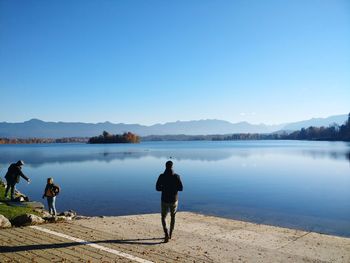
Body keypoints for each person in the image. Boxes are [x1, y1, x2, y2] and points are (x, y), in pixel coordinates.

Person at [156, 160, 183, 243]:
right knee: (173, 216)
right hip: (174, 200)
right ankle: (171, 234)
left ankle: (166, 233)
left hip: (164, 200)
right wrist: (174, 189)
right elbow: (181, 188)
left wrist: (164, 188)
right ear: (172, 166)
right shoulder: (176, 176)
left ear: (165, 166)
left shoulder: (161, 176)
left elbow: (157, 188)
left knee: (163, 217)